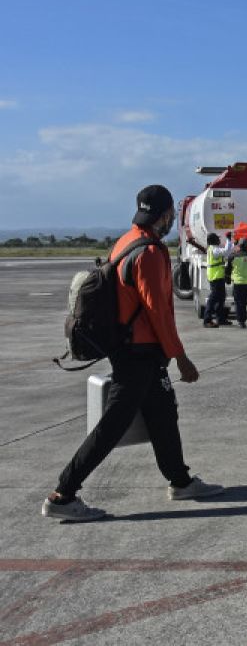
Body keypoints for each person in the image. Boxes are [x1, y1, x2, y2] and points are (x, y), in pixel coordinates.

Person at [42, 185, 223, 522]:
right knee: (112, 426)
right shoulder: (151, 253)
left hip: (133, 350)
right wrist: (181, 357)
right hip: (139, 353)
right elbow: (159, 313)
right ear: (167, 214)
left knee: (163, 414)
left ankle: (180, 482)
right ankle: (63, 494)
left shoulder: (125, 241)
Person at [202, 232, 234, 327]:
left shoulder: (212, 249)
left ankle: (221, 319)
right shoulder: (214, 250)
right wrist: (228, 239)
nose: (219, 240)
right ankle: (207, 320)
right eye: (218, 238)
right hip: (216, 277)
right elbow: (227, 251)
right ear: (214, 240)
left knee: (221, 298)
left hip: (217, 277)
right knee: (213, 299)